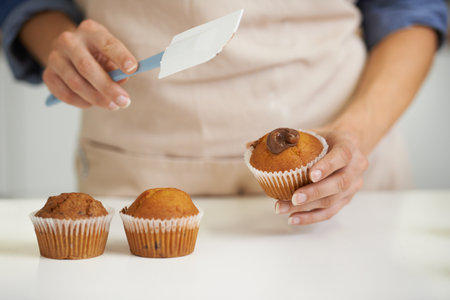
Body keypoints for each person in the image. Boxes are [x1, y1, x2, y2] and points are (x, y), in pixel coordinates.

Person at [0, 0, 447, 225]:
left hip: (338, 163)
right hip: (137, 159)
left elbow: (411, 9)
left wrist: (357, 132)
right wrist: (61, 46)